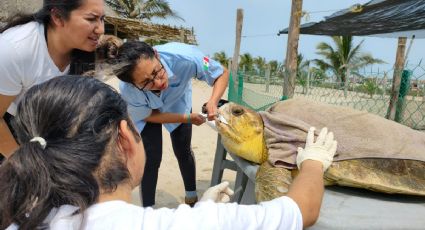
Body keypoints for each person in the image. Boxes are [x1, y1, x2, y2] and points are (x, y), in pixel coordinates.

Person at [0, 75, 337, 229]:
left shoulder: (18, 218)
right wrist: (312, 162)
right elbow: (301, 211)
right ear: (125, 138)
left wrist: (199, 208)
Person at [113, 41, 229, 207]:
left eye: (157, 72)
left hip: (178, 102)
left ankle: (191, 196)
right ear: (133, 84)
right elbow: (148, 115)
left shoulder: (188, 58)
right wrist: (187, 119)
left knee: (183, 149)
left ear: (156, 55)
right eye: (147, 82)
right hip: (149, 112)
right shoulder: (127, 90)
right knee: (151, 158)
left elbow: (220, 72)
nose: (159, 83)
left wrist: (213, 101)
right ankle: (148, 210)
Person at [0, 0, 105, 160]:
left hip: (52, 131)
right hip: (11, 133)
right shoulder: (15, 49)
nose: (101, 29)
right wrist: (24, 163)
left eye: (102, 19)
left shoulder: (90, 57)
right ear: (57, 16)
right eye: (91, 19)